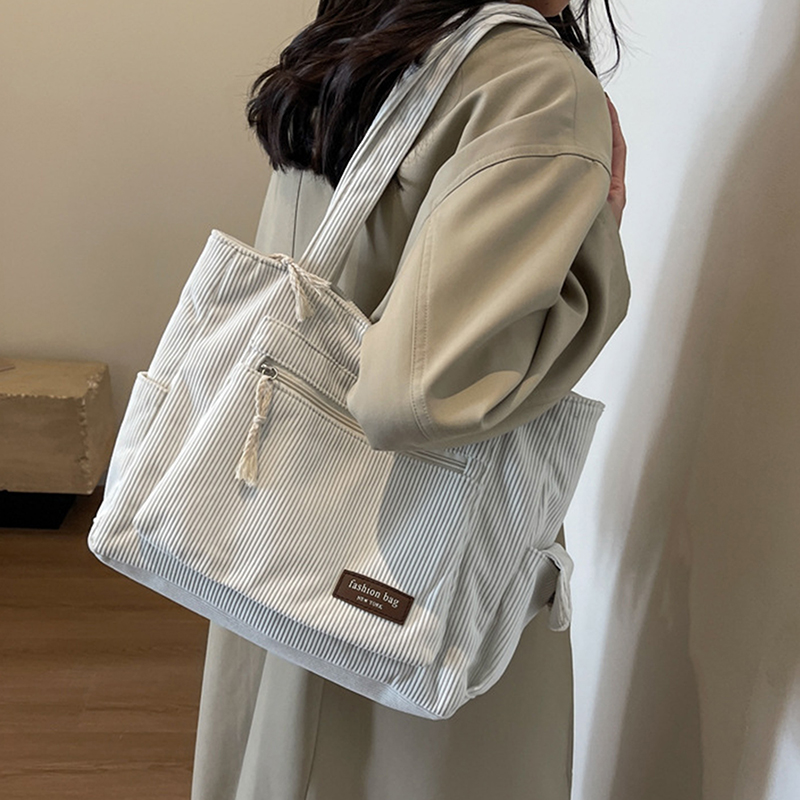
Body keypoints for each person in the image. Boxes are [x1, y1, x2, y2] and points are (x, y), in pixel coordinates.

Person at [191, 1, 629, 798]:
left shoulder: (359, 46)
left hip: (268, 525)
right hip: (401, 569)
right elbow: (422, 395)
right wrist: (598, 234)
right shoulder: (534, 81)